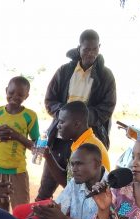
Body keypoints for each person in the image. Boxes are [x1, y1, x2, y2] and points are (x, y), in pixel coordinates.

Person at [40, 29, 116, 199]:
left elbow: (107, 108)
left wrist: (81, 119)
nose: (90, 54)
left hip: (86, 138)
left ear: (99, 48)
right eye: (86, 49)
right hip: (60, 139)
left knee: (82, 191)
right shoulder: (65, 71)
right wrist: (66, 116)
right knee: (46, 189)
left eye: (94, 49)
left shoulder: (105, 76)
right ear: (79, 48)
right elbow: (49, 100)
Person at [36, 100, 110, 200]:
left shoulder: (87, 148)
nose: (58, 126)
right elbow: (70, 182)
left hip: (91, 205)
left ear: (76, 124)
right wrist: (47, 154)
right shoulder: (81, 142)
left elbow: (68, 184)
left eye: (62, 122)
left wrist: (48, 156)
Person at [0, 76, 39, 212]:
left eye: (20, 95)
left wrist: (16, 136)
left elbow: (36, 147)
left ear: (26, 96)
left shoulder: (30, 116)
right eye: (11, 93)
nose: (15, 97)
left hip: (18, 171)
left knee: (21, 212)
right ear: (6, 91)